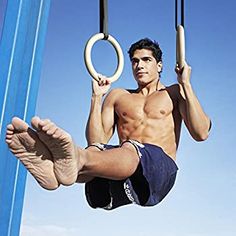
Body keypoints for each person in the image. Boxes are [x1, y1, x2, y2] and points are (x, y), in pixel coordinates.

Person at [5, 38, 211, 210]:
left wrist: (186, 84)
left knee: (131, 147)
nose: (139, 65)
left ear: (159, 65)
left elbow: (201, 133)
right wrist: (96, 97)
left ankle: (76, 161)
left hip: (160, 172)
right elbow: (97, 141)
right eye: (135, 61)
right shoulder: (118, 96)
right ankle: (53, 172)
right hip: (124, 173)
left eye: (146, 60)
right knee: (98, 150)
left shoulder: (174, 93)